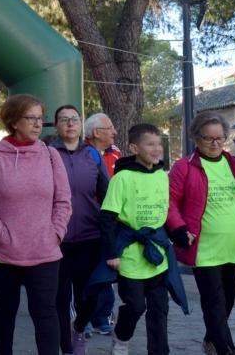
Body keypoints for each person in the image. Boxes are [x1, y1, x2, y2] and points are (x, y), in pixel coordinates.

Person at [0, 94, 72, 355]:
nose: (38, 124)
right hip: (3, 254)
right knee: (5, 311)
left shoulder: (51, 156)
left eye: (40, 118)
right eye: (31, 118)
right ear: (14, 121)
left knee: (46, 312)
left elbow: (63, 200)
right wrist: (1, 235)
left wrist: (56, 233)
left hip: (45, 251)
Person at [167, 111, 235, 355]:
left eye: (220, 138)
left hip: (233, 246)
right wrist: (178, 228)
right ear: (197, 139)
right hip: (203, 248)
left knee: (227, 301)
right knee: (214, 302)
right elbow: (168, 202)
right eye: (209, 138)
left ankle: (211, 340)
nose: (215, 143)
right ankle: (225, 349)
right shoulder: (184, 168)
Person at [98, 123, 186, 355]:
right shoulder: (123, 178)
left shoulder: (161, 175)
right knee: (136, 306)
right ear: (134, 147)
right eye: (150, 144)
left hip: (158, 253)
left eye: (159, 144)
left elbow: (165, 212)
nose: (157, 149)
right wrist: (111, 253)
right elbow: (107, 218)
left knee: (159, 309)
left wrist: (180, 232)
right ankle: (121, 336)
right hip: (129, 255)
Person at [49, 105, 109, 355]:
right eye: (64, 120)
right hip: (57, 239)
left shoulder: (93, 155)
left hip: (89, 237)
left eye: (74, 119)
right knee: (60, 299)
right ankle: (67, 347)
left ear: (81, 124)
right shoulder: (48, 153)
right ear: (56, 125)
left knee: (89, 296)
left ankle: (80, 327)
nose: (70, 124)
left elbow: (107, 194)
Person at [84, 112, 122, 335]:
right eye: (110, 128)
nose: (114, 132)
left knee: (104, 270)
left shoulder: (115, 154)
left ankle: (102, 316)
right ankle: (86, 317)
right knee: (89, 272)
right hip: (93, 221)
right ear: (97, 133)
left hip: (106, 221)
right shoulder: (86, 155)